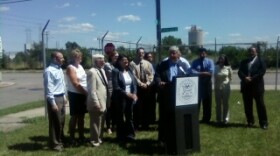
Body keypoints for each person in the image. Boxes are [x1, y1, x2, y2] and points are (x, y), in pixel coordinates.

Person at [155, 46, 190, 154]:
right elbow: (157, 76)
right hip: (166, 95)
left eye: (174, 53)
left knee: (177, 119)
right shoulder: (163, 64)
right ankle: (163, 140)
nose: (172, 55)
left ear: (179, 54)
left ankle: (177, 140)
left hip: (179, 96)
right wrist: (159, 82)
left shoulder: (182, 65)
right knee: (165, 119)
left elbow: (188, 76)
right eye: (170, 53)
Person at [238, 46, 268, 129]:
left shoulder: (261, 61)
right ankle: (250, 121)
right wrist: (244, 78)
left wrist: (251, 78)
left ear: (256, 52)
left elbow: (262, 72)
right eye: (250, 51)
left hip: (257, 87)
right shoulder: (244, 61)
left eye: (253, 51)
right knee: (247, 106)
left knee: (261, 105)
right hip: (246, 87)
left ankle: (263, 123)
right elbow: (239, 72)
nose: (251, 53)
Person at [43, 51, 67, 152]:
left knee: (61, 121)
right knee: (55, 122)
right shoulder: (49, 71)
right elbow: (49, 89)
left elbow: (62, 84)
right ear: (54, 59)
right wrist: (53, 103)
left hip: (61, 97)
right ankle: (54, 144)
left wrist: (64, 97)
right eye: (61, 58)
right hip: (55, 99)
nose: (63, 59)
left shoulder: (59, 69)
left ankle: (60, 140)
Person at [112, 54, 138, 141]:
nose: (125, 61)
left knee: (129, 117)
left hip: (130, 97)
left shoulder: (129, 70)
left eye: (127, 60)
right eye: (123, 60)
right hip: (120, 98)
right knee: (120, 117)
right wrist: (127, 94)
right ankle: (121, 136)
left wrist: (134, 93)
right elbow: (116, 87)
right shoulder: (115, 71)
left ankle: (130, 134)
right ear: (119, 61)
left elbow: (134, 84)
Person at [66, 49, 88, 145]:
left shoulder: (80, 67)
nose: (79, 58)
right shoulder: (70, 68)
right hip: (75, 94)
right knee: (74, 117)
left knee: (81, 117)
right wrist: (85, 92)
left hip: (82, 94)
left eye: (80, 56)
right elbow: (75, 83)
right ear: (72, 57)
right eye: (77, 56)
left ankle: (81, 136)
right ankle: (71, 138)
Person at [130, 47, 154, 130]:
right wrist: (140, 84)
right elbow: (133, 76)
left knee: (146, 106)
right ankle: (136, 125)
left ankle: (145, 124)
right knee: (137, 107)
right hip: (137, 87)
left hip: (147, 87)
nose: (141, 54)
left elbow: (151, 75)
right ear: (136, 53)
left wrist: (147, 84)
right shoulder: (132, 64)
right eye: (139, 53)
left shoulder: (148, 63)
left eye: (142, 53)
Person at [87, 54, 108, 147]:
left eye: (104, 60)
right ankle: (94, 141)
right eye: (101, 60)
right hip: (97, 102)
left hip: (103, 100)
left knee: (101, 121)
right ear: (95, 61)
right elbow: (92, 90)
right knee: (95, 122)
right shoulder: (92, 72)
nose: (103, 62)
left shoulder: (102, 70)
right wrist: (96, 103)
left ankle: (100, 138)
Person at [191, 48, 214, 123]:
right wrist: (203, 73)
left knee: (207, 101)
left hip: (207, 84)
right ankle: (195, 118)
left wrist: (199, 73)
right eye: (201, 53)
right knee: (196, 101)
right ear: (199, 54)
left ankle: (206, 119)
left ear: (206, 54)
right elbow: (191, 71)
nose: (202, 54)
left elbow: (211, 72)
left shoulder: (210, 61)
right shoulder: (195, 62)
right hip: (197, 83)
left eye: (204, 53)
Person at [104, 47, 119, 134]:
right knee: (109, 108)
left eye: (117, 57)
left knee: (115, 108)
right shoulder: (107, 65)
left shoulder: (117, 65)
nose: (116, 58)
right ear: (111, 57)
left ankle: (114, 125)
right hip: (109, 88)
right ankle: (108, 126)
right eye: (115, 57)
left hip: (117, 89)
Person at [214, 54, 232, 125]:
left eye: (223, 59)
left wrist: (226, 83)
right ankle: (218, 119)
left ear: (225, 60)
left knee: (225, 104)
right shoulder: (215, 67)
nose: (221, 60)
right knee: (218, 104)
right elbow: (214, 76)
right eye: (220, 59)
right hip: (217, 87)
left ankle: (225, 119)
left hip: (226, 88)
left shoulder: (228, 67)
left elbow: (230, 77)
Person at [144, 52, 157, 125]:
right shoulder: (143, 65)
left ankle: (152, 119)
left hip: (152, 88)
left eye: (151, 57)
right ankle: (145, 120)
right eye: (148, 57)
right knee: (146, 105)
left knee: (153, 104)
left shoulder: (155, 66)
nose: (150, 58)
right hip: (145, 87)